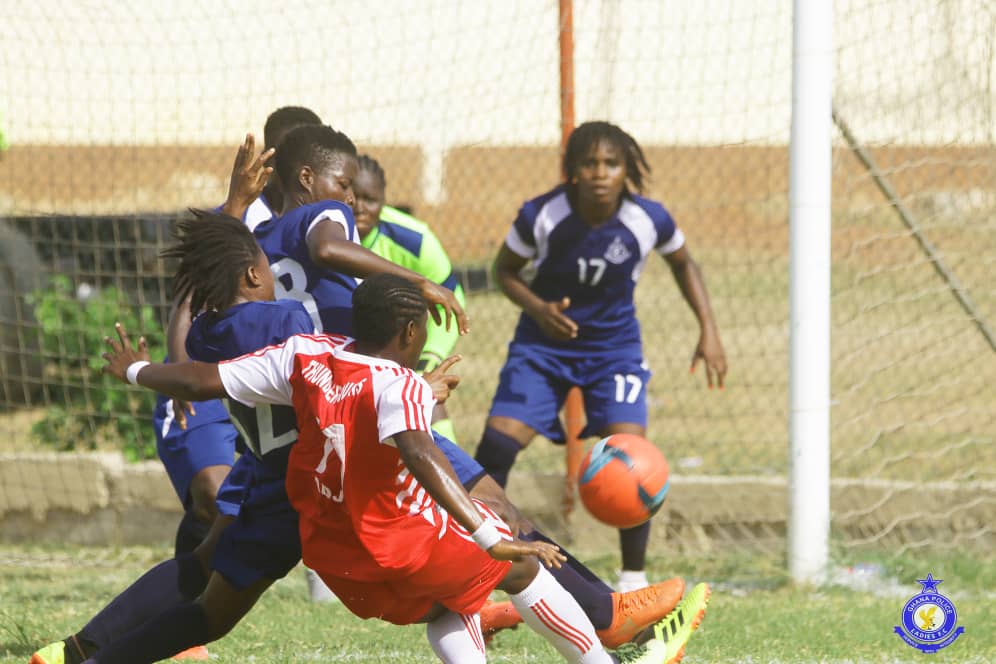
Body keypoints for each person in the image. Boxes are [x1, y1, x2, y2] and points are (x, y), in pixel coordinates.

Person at [98, 273, 690, 664]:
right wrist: (489, 536)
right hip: (399, 546)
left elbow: (203, 378)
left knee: (451, 605)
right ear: (409, 331)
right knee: (519, 569)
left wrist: (135, 371)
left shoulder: (305, 355)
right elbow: (418, 450)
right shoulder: (400, 384)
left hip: (334, 558)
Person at [473, 121, 728, 593]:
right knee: (497, 447)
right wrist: (539, 308)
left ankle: (632, 578)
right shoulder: (541, 214)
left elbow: (683, 262)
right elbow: (503, 270)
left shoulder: (648, 218)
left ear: (627, 169)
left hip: (613, 351)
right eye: (589, 163)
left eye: (611, 163)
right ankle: (475, 561)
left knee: (632, 454)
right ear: (572, 168)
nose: (599, 173)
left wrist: (709, 329)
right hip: (542, 347)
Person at [149, 106, 325, 569]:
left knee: (258, 506)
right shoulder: (234, 219)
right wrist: (182, 373)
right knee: (212, 494)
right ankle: (186, 590)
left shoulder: (326, 224)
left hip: (280, 383)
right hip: (211, 372)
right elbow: (187, 304)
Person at [352, 154, 465, 444]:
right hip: (350, 349)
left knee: (427, 396)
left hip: (400, 348)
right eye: (353, 198)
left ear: (384, 201)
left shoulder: (414, 240)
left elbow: (451, 296)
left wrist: (429, 358)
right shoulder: (325, 237)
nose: (360, 208)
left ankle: (451, 463)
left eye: (370, 199)